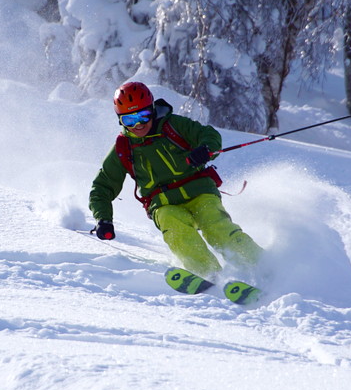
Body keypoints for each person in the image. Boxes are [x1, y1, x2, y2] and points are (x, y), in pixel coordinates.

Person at [89, 81, 263, 280]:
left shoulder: (173, 126)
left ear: (152, 110)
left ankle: (261, 266)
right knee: (175, 228)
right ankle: (209, 275)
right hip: (164, 204)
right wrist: (103, 219)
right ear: (121, 121)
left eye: (143, 116)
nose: (138, 125)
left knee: (217, 227)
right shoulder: (123, 148)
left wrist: (204, 150)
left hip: (200, 192)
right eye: (130, 120)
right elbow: (101, 187)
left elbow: (208, 134)